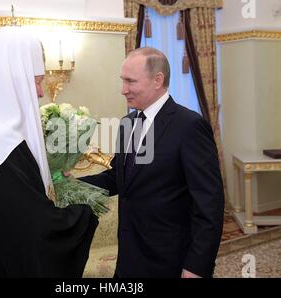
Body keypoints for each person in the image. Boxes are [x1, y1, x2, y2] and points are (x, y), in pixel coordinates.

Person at [0, 27, 98, 278]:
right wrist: (84, 214)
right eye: (36, 81)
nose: (39, 92)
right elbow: (34, 229)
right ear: (14, 79)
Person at [79, 47, 224, 278]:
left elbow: (209, 204)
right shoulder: (129, 122)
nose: (123, 90)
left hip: (171, 261)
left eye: (130, 81)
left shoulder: (189, 126)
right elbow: (118, 177)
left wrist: (196, 266)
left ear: (158, 80)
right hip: (130, 256)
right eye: (122, 81)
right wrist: (72, 186)